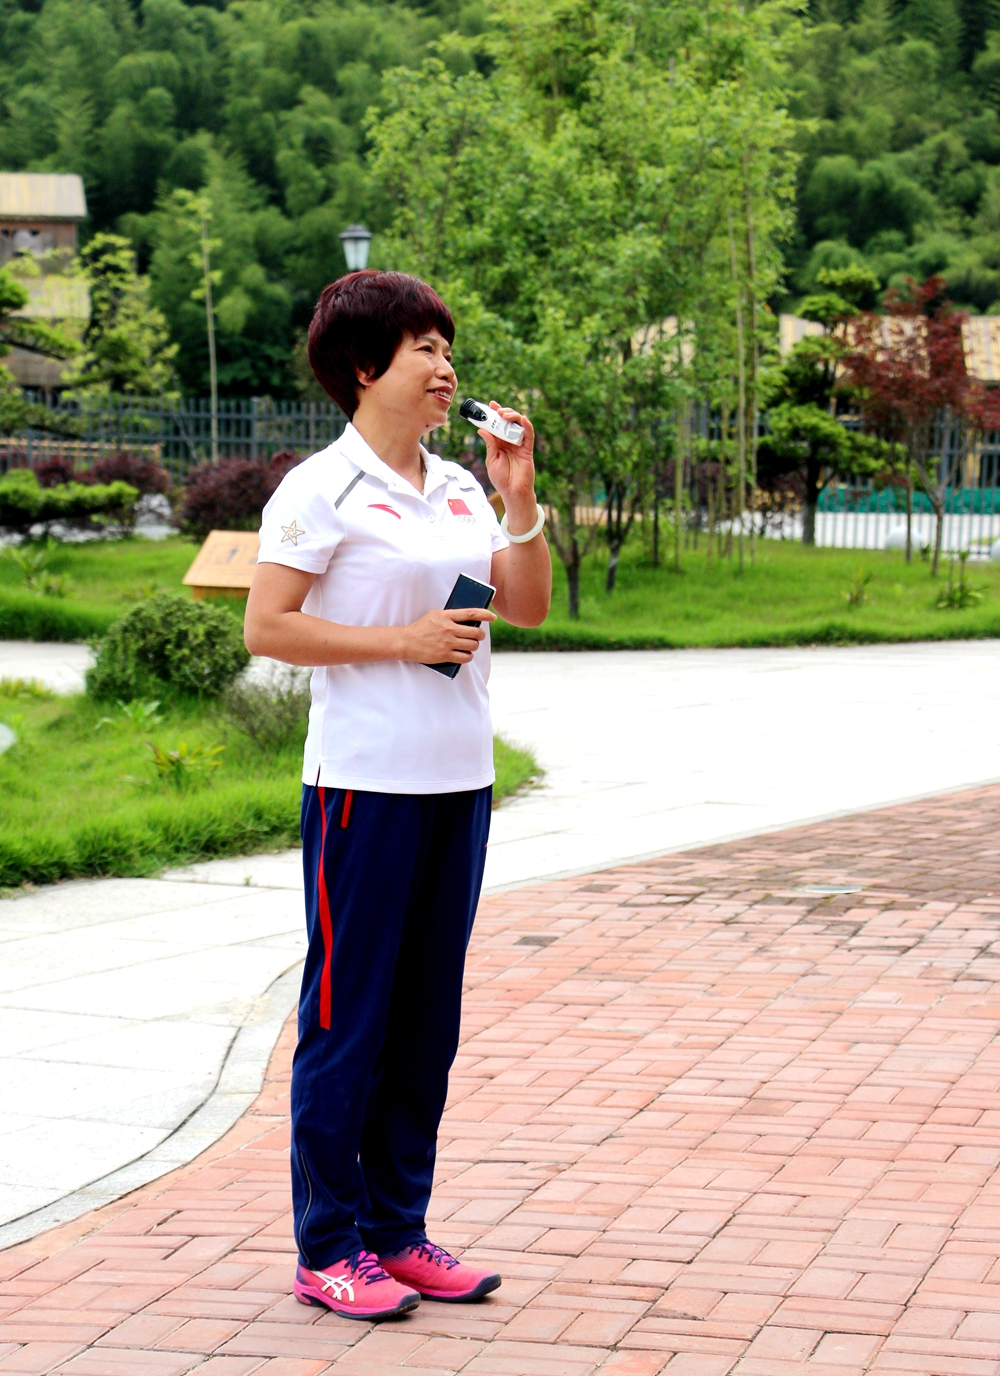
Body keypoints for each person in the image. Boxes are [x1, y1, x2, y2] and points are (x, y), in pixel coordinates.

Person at [244, 269, 551, 1322]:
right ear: (365, 366)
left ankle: (396, 1230)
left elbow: (529, 606)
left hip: (458, 783)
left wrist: (516, 495)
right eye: (424, 347)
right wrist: (401, 640)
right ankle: (328, 1246)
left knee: (425, 1022)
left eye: (447, 347)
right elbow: (268, 626)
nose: (445, 365)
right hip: (361, 789)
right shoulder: (318, 489)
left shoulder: (460, 484)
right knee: (348, 1019)